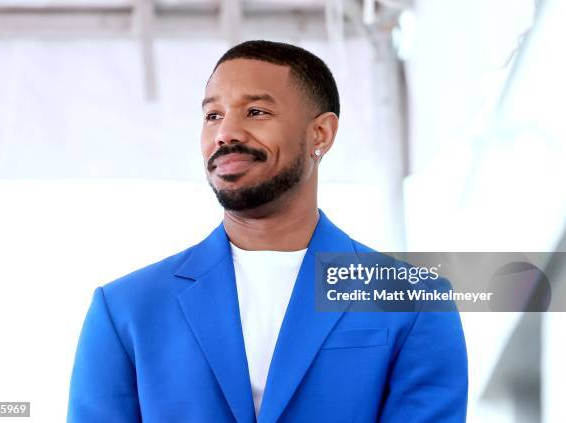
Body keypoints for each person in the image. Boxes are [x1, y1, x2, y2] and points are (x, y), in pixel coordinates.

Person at [67, 40, 468, 422]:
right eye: (213, 115)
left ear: (321, 134)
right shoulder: (125, 309)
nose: (226, 133)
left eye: (256, 112)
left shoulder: (415, 303)